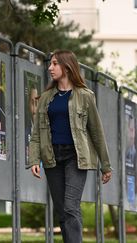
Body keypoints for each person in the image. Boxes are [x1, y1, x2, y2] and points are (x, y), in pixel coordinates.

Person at [28, 50, 112, 243]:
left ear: (67, 67)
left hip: (76, 157)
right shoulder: (46, 98)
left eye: (55, 64)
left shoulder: (85, 96)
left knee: (70, 207)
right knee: (62, 211)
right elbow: (36, 134)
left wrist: (105, 165)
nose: (50, 67)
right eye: (50, 64)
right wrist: (34, 159)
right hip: (52, 157)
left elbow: (97, 132)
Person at [25, 84, 39, 163]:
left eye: (36, 104)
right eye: (32, 103)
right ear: (28, 104)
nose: (34, 110)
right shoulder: (25, 131)